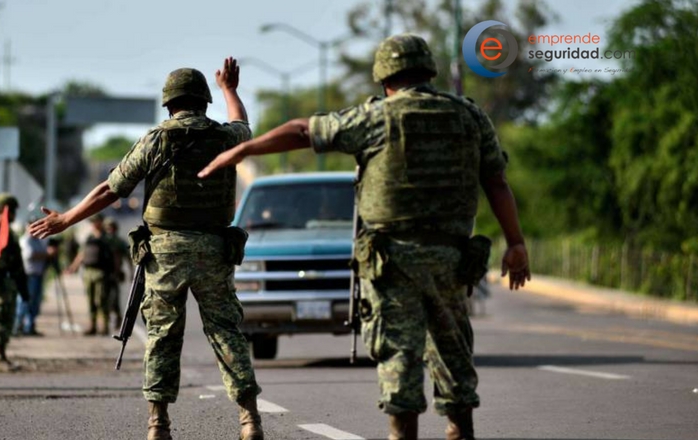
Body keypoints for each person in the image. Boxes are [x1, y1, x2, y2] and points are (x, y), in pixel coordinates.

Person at [198, 36, 531, 440]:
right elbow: (496, 181)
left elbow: (305, 130)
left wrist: (244, 151)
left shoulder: (375, 118)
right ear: (429, 72)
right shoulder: (469, 117)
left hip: (393, 260)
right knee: (452, 349)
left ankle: (402, 432)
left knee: (398, 354)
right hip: (452, 257)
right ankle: (460, 428)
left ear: (384, 78)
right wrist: (516, 243)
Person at [29, 58, 264, 440]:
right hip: (214, 249)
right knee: (227, 333)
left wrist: (66, 220)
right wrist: (230, 89)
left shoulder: (156, 139)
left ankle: (158, 423)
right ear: (204, 102)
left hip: (166, 252)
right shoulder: (225, 137)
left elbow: (110, 189)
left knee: (162, 335)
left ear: (168, 104)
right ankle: (249, 420)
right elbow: (245, 127)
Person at [0, 193, 30, 372]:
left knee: (7, 319)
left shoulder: (8, 230)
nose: (15, 214)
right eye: (12, 211)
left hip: (9, 281)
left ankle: (2, 355)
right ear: (5, 211)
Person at [67, 213, 117, 336]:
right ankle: (92, 325)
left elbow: (116, 256)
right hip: (88, 272)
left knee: (101, 300)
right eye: (92, 222)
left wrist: (116, 272)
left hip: (101, 272)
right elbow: (82, 254)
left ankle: (104, 326)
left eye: (96, 221)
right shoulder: (89, 237)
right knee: (90, 301)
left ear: (101, 222)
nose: (94, 224)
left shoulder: (107, 238)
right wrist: (73, 267)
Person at [15, 213, 56, 336]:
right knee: (25, 301)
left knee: (35, 303)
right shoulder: (25, 240)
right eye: (32, 225)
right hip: (28, 275)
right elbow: (30, 255)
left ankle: (30, 326)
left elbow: (45, 251)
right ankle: (17, 326)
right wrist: (48, 254)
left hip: (38, 274)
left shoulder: (39, 240)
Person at [104, 217, 132, 329]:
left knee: (114, 298)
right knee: (103, 298)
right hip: (103, 273)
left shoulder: (119, 242)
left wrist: (131, 273)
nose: (110, 230)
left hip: (115, 273)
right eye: (108, 228)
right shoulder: (103, 240)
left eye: (112, 228)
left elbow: (128, 259)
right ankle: (105, 321)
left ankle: (118, 319)